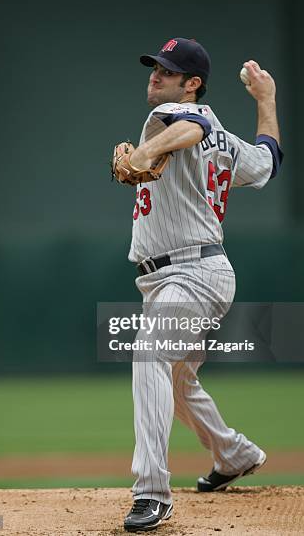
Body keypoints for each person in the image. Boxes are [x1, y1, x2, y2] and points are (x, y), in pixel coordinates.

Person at [121, 37, 283, 532]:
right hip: (190, 275)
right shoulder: (225, 140)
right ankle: (233, 454)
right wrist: (266, 102)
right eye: (155, 66)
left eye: (168, 71)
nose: (156, 75)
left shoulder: (177, 116)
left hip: (192, 273)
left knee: (149, 353)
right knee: (177, 380)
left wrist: (145, 150)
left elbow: (193, 125)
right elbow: (267, 160)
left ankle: (151, 491)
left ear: (191, 85)